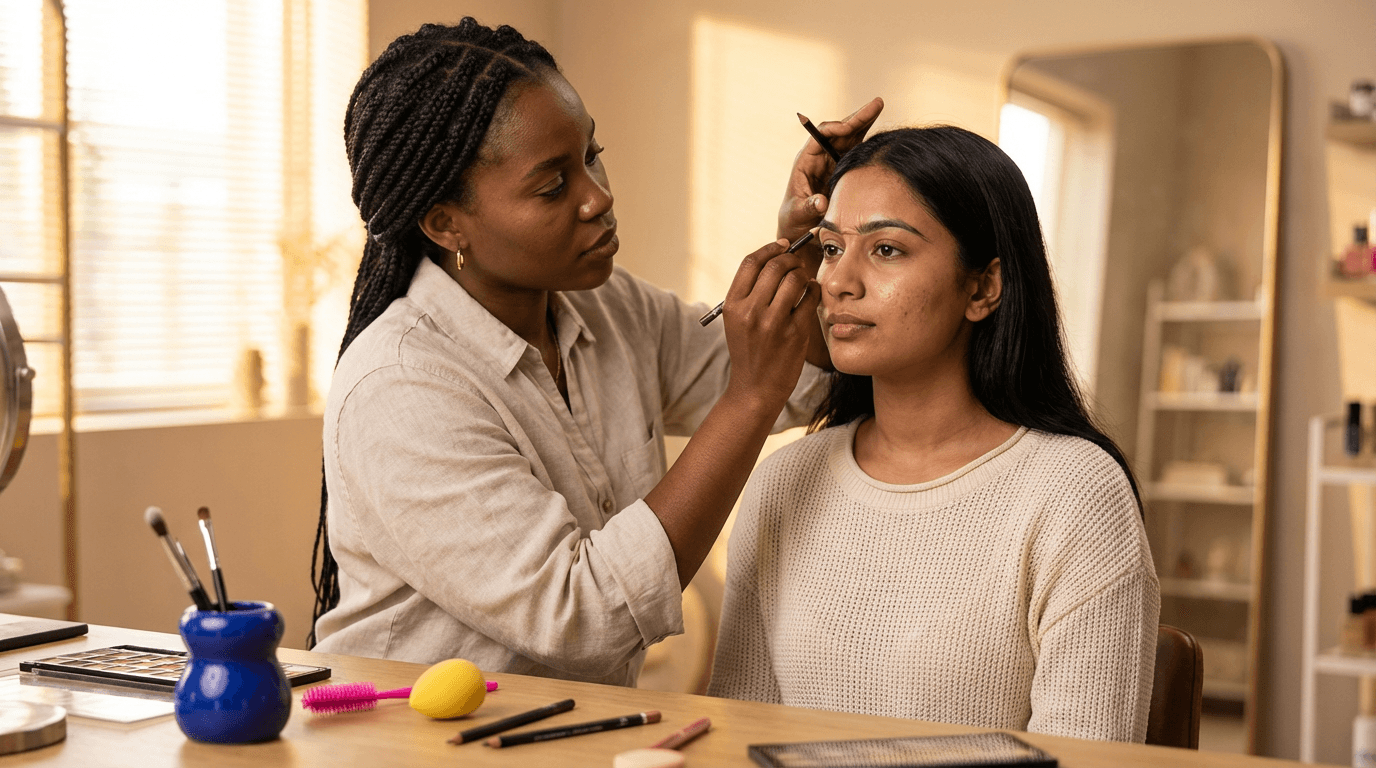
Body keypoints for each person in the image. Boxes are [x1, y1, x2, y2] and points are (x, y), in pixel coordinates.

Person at [307, 18, 883, 686]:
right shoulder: (400, 386)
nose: (599, 197)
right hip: (405, 745)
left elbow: (801, 381)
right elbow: (582, 618)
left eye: (592, 155)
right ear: (445, 222)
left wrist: (807, 249)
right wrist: (746, 400)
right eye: (553, 185)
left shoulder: (608, 310)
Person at [707, 126, 1159, 742]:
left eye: (886, 250)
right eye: (833, 248)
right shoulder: (785, 480)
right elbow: (741, 736)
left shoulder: (1075, 493)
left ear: (982, 287)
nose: (838, 282)